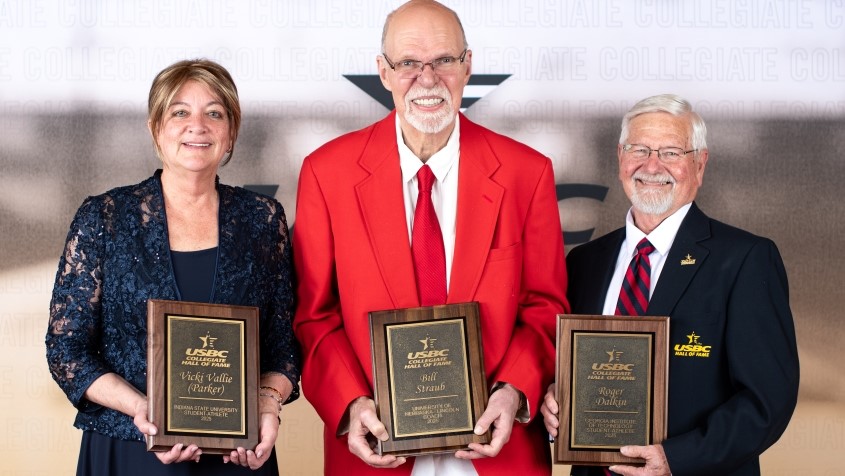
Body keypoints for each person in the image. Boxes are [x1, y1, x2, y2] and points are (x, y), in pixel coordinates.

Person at [292, 1, 569, 474]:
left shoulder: (527, 172)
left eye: (443, 60)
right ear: (383, 72)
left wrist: (514, 390)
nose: (427, 79)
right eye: (408, 63)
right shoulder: (326, 173)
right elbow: (315, 316)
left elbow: (545, 306)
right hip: (378, 449)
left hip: (496, 449)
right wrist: (351, 402)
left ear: (468, 66)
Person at [46, 59, 300, 476]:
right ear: (155, 128)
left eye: (214, 113)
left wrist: (268, 405)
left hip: (237, 459)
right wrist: (141, 409)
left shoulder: (263, 219)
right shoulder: (104, 218)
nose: (197, 126)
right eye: (180, 112)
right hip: (129, 451)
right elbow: (66, 350)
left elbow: (283, 348)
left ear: (231, 132)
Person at [540, 94, 799, 476]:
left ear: (700, 164)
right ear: (620, 157)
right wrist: (554, 399)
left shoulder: (745, 259)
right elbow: (566, 369)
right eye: (639, 149)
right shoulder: (585, 262)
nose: (652, 165)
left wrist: (676, 458)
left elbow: (767, 401)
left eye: (671, 152)